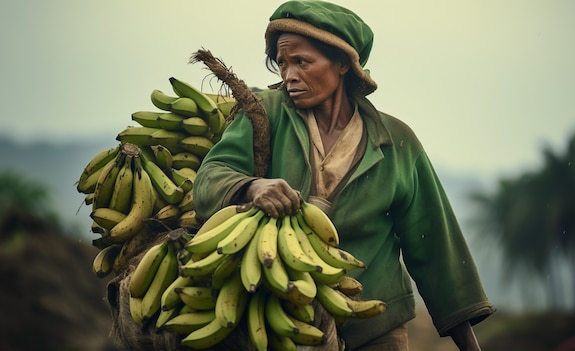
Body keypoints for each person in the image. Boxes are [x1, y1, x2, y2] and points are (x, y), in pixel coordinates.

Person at [193, 1, 495, 350]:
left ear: (342, 64)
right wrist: (252, 186)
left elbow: (434, 245)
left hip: (374, 323)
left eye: (302, 62)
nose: (289, 75)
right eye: (282, 63)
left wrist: (469, 344)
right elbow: (210, 177)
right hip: (278, 319)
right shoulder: (265, 114)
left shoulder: (396, 142)